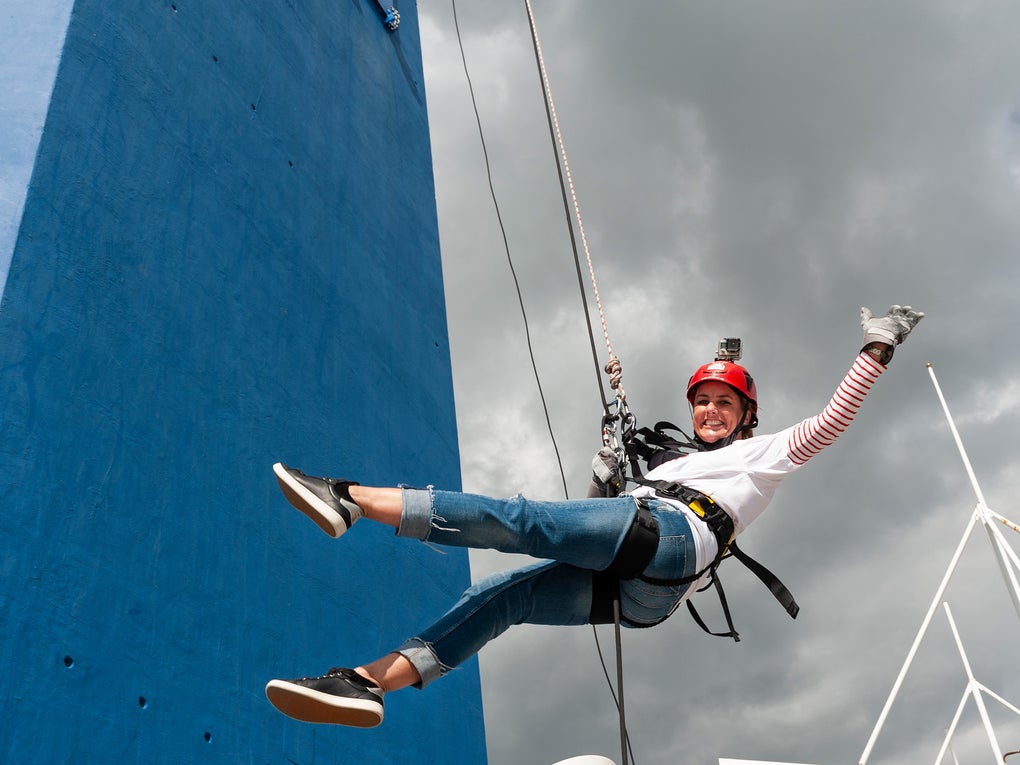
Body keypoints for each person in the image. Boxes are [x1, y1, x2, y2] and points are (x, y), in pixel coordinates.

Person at [264, 304, 924, 728]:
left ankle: (350, 497)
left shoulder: (765, 453)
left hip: (672, 542)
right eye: (704, 403)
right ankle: (366, 682)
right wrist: (608, 475)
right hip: (642, 587)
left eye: (726, 403)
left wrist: (875, 350)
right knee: (498, 598)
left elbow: (830, 423)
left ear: (748, 415)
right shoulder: (670, 465)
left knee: (524, 519)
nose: (712, 412)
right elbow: (597, 524)